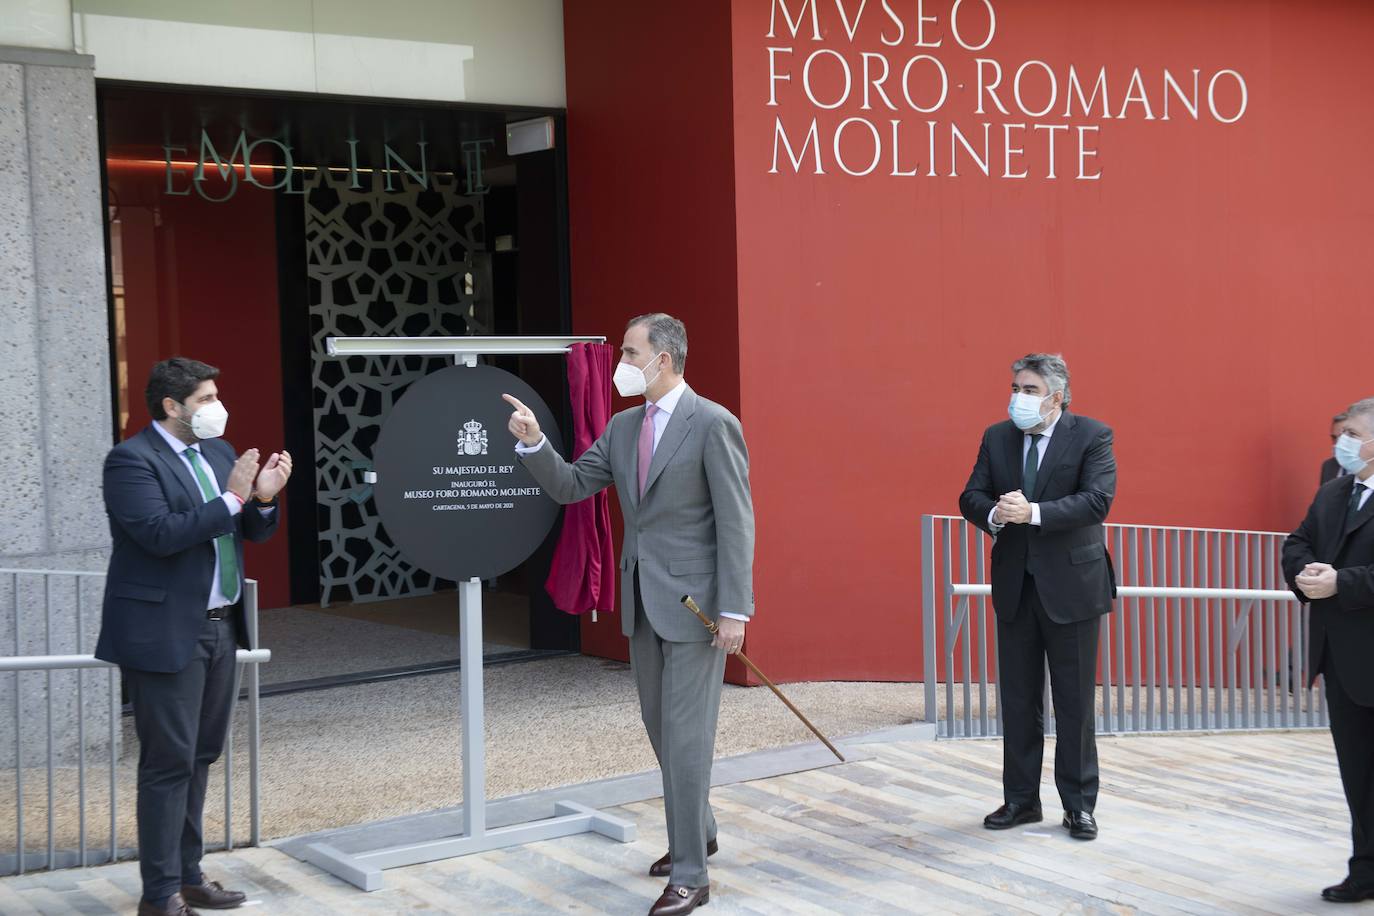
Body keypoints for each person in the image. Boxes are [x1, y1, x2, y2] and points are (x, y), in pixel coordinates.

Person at [503, 314, 753, 916]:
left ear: (661, 360)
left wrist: (735, 611)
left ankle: (691, 873)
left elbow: (736, 522)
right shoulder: (621, 427)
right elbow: (568, 486)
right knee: (662, 731)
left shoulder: (713, 423)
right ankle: (702, 828)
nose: (621, 360)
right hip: (642, 603)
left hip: (696, 611)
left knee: (688, 740)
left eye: (629, 351)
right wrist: (534, 441)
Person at [95, 358, 291, 916]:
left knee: (201, 755)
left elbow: (248, 529)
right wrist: (230, 499)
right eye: (205, 399)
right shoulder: (132, 461)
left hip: (220, 627)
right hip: (164, 635)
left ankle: (187, 876)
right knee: (167, 762)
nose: (216, 407)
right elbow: (159, 535)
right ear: (172, 408)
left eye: (213, 396)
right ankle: (158, 895)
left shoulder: (219, 454)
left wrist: (262, 499)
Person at [958, 353, 1117, 841]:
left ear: (1057, 396)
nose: (1018, 398)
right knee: (1019, 700)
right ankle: (1021, 800)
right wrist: (997, 515)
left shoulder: (1092, 435)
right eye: (1015, 387)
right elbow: (970, 496)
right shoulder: (997, 437)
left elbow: (1097, 501)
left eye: (1029, 390)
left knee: (1073, 704)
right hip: (1015, 587)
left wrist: (1036, 512)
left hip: (1072, 588)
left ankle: (1079, 805)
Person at [1283, 397, 1374, 904]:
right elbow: (1296, 543)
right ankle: (1365, 870)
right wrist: (1309, 573)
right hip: (1342, 659)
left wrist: (1343, 581)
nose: (1343, 441)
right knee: (1358, 773)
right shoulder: (1333, 493)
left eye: (1353, 433)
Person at [1322, 412, 1350, 485]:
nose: (1337, 442)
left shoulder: (1368, 468)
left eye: (1342, 437)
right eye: (1334, 437)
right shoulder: (1329, 465)